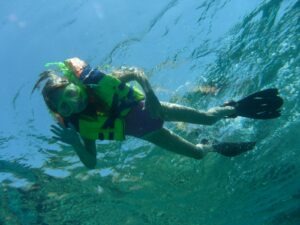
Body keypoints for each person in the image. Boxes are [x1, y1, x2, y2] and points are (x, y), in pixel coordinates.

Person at [32, 57, 283, 169]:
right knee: (196, 155)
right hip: (150, 133)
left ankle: (233, 108)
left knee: (208, 117)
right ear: (61, 113)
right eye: (65, 106)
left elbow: (135, 72)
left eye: (71, 94)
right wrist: (76, 144)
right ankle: (211, 146)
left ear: (75, 87)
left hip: (157, 108)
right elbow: (91, 163)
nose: (72, 104)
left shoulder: (98, 83)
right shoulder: (84, 128)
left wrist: (149, 92)